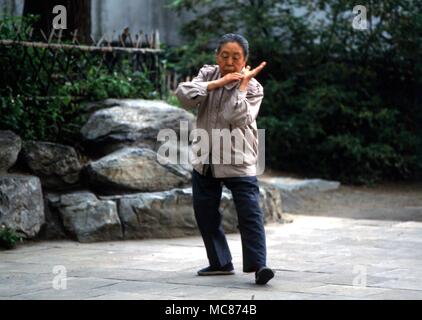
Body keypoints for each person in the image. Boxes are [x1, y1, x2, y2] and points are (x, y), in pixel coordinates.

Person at [175, 33, 275, 285]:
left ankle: (259, 266)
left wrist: (240, 86)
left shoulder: (253, 88)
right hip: (206, 157)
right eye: (225, 56)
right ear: (217, 56)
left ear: (245, 60)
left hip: (238, 158)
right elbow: (183, 95)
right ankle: (220, 263)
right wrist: (217, 83)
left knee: (249, 212)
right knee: (205, 211)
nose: (230, 62)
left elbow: (236, 117)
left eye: (236, 57)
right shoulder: (208, 74)